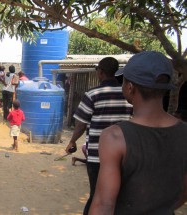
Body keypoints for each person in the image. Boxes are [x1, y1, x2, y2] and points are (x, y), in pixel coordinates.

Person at [89, 51, 187, 214]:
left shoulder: (115, 137)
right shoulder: (184, 132)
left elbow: (104, 204)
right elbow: (184, 190)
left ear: (129, 87)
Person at [65, 57, 133, 215]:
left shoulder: (92, 94)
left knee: (97, 195)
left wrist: (72, 141)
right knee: (119, 195)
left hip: (98, 155)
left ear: (100, 72)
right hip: (124, 155)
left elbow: (81, 124)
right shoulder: (129, 95)